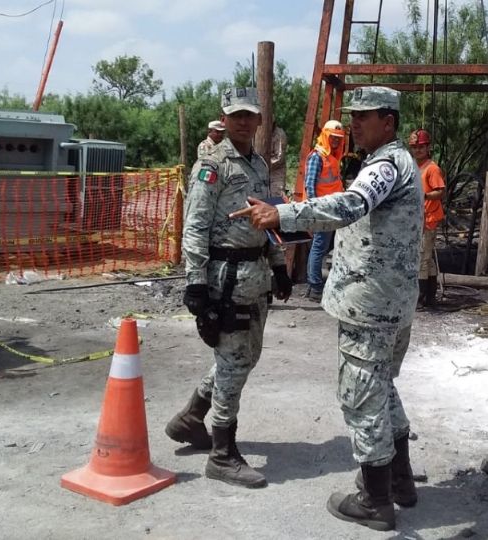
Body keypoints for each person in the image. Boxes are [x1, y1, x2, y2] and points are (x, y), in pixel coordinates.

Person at [230, 86, 422, 532]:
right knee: (383, 389)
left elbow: (353, 205)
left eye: (363, 117)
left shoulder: (388, 164)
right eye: (352, 116)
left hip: (371, 306)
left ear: (388, 122)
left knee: (361, 398)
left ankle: (375, 501)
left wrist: (285, 215)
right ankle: (399, 482)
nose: (353, 124)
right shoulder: (390, 162)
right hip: (389, 303)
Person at [165, 87, 293, 489]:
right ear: (225, 115)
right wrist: (195, 284)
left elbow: (266, 219)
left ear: (258, 121)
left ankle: (191, 416)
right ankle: (222, 454)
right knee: (234, 361)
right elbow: (196, 225)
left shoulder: (258, 165)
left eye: (249, 115)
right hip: (226, 278)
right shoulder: (213, 164)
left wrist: (279, 265)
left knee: (244, 356)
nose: (242, 121)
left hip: (256, 275)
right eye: (236, 114)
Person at [302, 119, 346, 302]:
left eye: (338, 138)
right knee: (319, 247)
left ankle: (315, 283)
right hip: (322, 209)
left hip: (332, 209)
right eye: (333, 137)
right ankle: (315, 286)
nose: (336, 140)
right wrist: (315, 209)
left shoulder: (332, 157)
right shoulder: (317, 157)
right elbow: (309, 185)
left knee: (323, 246)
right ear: (325, 136)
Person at [408, 128, 446, 308]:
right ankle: (430, 295)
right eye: (414, 147)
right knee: (428, 258)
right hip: (418, 217)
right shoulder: (414, 166)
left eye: (421, 147)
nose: (417, 150)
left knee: (422, 257)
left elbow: (440, 191)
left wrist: (425, 196)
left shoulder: (432, 169)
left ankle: (420, 297)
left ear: (427, 147)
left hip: (428, 218)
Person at [269, 122, 288, 197]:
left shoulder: (279, 134)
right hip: (258, 171)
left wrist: (261, 165)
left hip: (276, 173)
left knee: (276, 198)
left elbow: (279, 158)